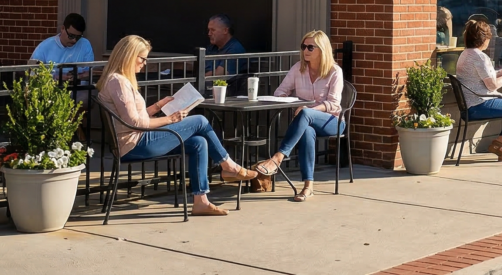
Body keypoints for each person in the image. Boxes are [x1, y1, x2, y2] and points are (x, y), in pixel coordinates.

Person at [97, 35, 256, 216]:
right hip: (135, 143)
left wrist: (158, 106)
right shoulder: (118, 81)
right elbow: (135, 123)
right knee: (200, 121)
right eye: (142, 58)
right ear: (129, 56)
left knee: (198, 143)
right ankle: (228, 166)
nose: (144, 63)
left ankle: (201, 201)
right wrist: (171, 119)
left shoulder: (118, 80)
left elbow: (132, 117)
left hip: (136, 140)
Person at [253, 30, 346, 201]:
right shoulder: (298, 68)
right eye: (304, 46)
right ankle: (308, 186)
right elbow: (279, 92)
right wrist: (293, 102)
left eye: (311, 47)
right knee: (307, 131)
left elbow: (334, 104)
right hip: (306, 122)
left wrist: (308, 109)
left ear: (322, 49)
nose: (306, 51)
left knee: (306, 113)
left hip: (333, 120)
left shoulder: (334, 71)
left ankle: (277, 158)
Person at [445, 19, 502, 162]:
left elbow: (481, 76)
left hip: (470, 104)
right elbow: (492, 86)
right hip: (479, 104)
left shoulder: (465, 54)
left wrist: (501, 71)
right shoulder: (480, 57)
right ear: (484, 39)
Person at [31, 13, 94, 82]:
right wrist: (55, 78)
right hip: (54, 91)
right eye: (71, 36)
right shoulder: (44, 46)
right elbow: (32, 72)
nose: (74, 40)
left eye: (78, 37)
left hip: (79, 91)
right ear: (62, 28)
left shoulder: (85, 44)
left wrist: (78, 76)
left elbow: (90, 72)